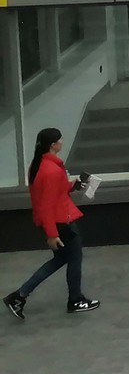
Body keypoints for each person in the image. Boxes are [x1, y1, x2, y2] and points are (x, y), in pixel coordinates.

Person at [6, 129, 96, 317]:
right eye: (60, 139)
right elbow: (47, 204)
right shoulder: (52, 170)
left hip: (55, 221)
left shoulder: (39, 166)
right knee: (74, 259)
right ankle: (75, 299)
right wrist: (52, 234)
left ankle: (19, 295)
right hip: (61, 222)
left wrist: (74, 184)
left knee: (61, 259)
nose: (62, 141)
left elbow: (54, 193)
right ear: (53, 145)